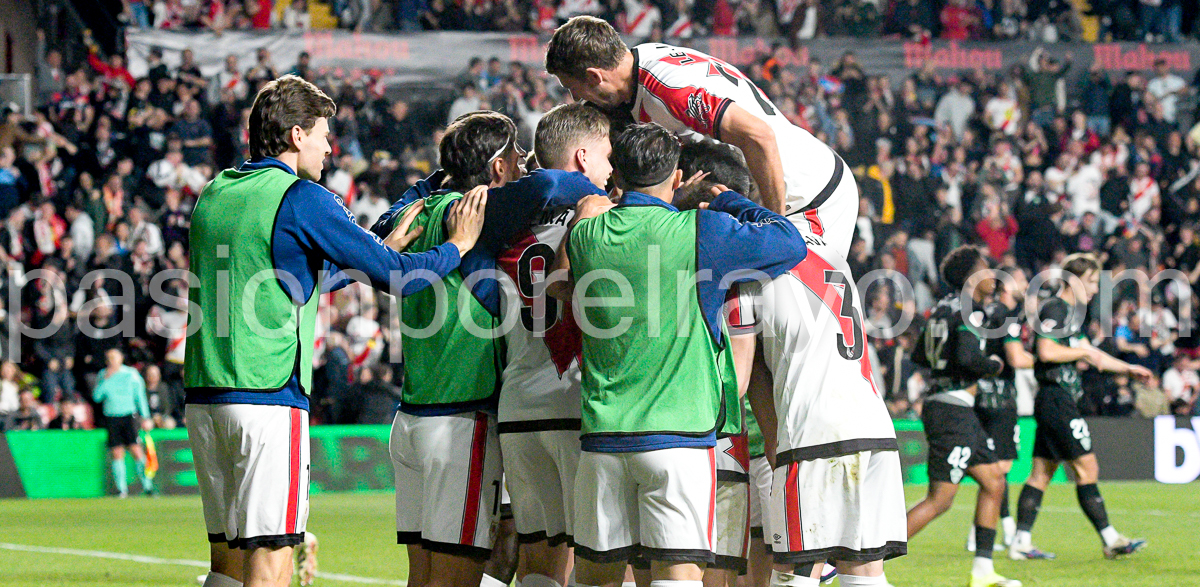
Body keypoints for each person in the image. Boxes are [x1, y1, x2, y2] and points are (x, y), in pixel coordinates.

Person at [184, 75, 486, 587]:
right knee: (272, 559)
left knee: (227, 564)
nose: (330, 146)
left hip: (206, 399)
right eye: (324, 133)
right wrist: (457, 245)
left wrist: (381, 238)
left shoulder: (218, 190)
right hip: (266, 398)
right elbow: (399, 276)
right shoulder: (302, 196)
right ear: (297, 135)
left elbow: (295, 276)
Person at [547, 122, 807, 587]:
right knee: (677, 579)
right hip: (678, 440)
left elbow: (561, 280)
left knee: (594, 579)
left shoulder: (587, 236)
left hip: (603, 437)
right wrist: (722, 197)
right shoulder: (701, 231)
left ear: (617, 174)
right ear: (677, 174)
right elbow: (788, 241)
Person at [372, 110, 604, 587]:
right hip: (463, 421)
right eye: (518, 158)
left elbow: (380, 228)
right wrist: (598, 192)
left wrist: (430, 181)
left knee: (425, 578)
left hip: (414, 419)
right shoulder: (483, 214)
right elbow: (546, 188)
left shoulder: (422, 212)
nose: (525, 166)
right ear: (497, 169)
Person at [544, 16, 859, 257]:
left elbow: (759, 136)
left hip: (808, 197)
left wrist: (772, 224)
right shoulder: (638, 64)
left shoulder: (669, 90)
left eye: (572, 88)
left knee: (782, 319)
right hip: (769, 193)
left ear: (594, 77)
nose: (574, 97)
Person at [715, 196, 906, 587]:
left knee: (795, 573)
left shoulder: (748, 274)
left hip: (814, 433)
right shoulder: (835, 255)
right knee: (865, 570)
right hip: (874, 426)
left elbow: (742, 374)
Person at [491, 103, 613, 587]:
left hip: (518, 404)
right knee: (596, 560)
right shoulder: (603, 221)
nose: (610, 167)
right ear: (582, 158)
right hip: (578, 399)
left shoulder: (504, 226)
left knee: (537, 563)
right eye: (605, 156)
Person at [1009, 253, 1150, 561]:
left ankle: (1020, 541)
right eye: (1090, 282)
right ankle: (1110, 538)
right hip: (1057, 398)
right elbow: (1046, 351)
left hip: (1055, 399)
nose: (1095, 290)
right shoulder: (1056, 308)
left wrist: (1128, 369)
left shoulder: (1071, 315)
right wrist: (1076, 353)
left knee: (1041, 474)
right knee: (1088, 467)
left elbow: (1091, 354)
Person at [908, 246, 1020, 587]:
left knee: (994, 481)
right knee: (940, 500)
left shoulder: (941, 309)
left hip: (953, 408)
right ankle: (861, 560)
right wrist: (993, 365)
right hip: (952, 411)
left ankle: (983, 571)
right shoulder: (970, 309)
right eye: (986, 268)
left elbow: (919, 355)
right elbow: (969, 357)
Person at [966, 267, 1033, 554]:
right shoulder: (1007, 316)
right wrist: (1045, 359)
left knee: (997, 469)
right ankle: (984, 532)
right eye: (1021, 279)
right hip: (1000, 399)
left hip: (981, 395)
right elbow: (1015, 358)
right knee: (1000, 468)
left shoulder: (986, 312)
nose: (1026, 283)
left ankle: (1001, 528)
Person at [91, 347, 153, 498]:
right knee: (116, 452)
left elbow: (140, 396)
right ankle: (121, 489)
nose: (111, 361)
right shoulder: (103, 375)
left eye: (114, 357)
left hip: (128, 416)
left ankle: (148, 486)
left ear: (121, 359)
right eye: (109, 358)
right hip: (112, 416)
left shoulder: (130, 374)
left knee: (136, 450)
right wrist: (105, 380)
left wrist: (145, 416)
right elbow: (96, 397)